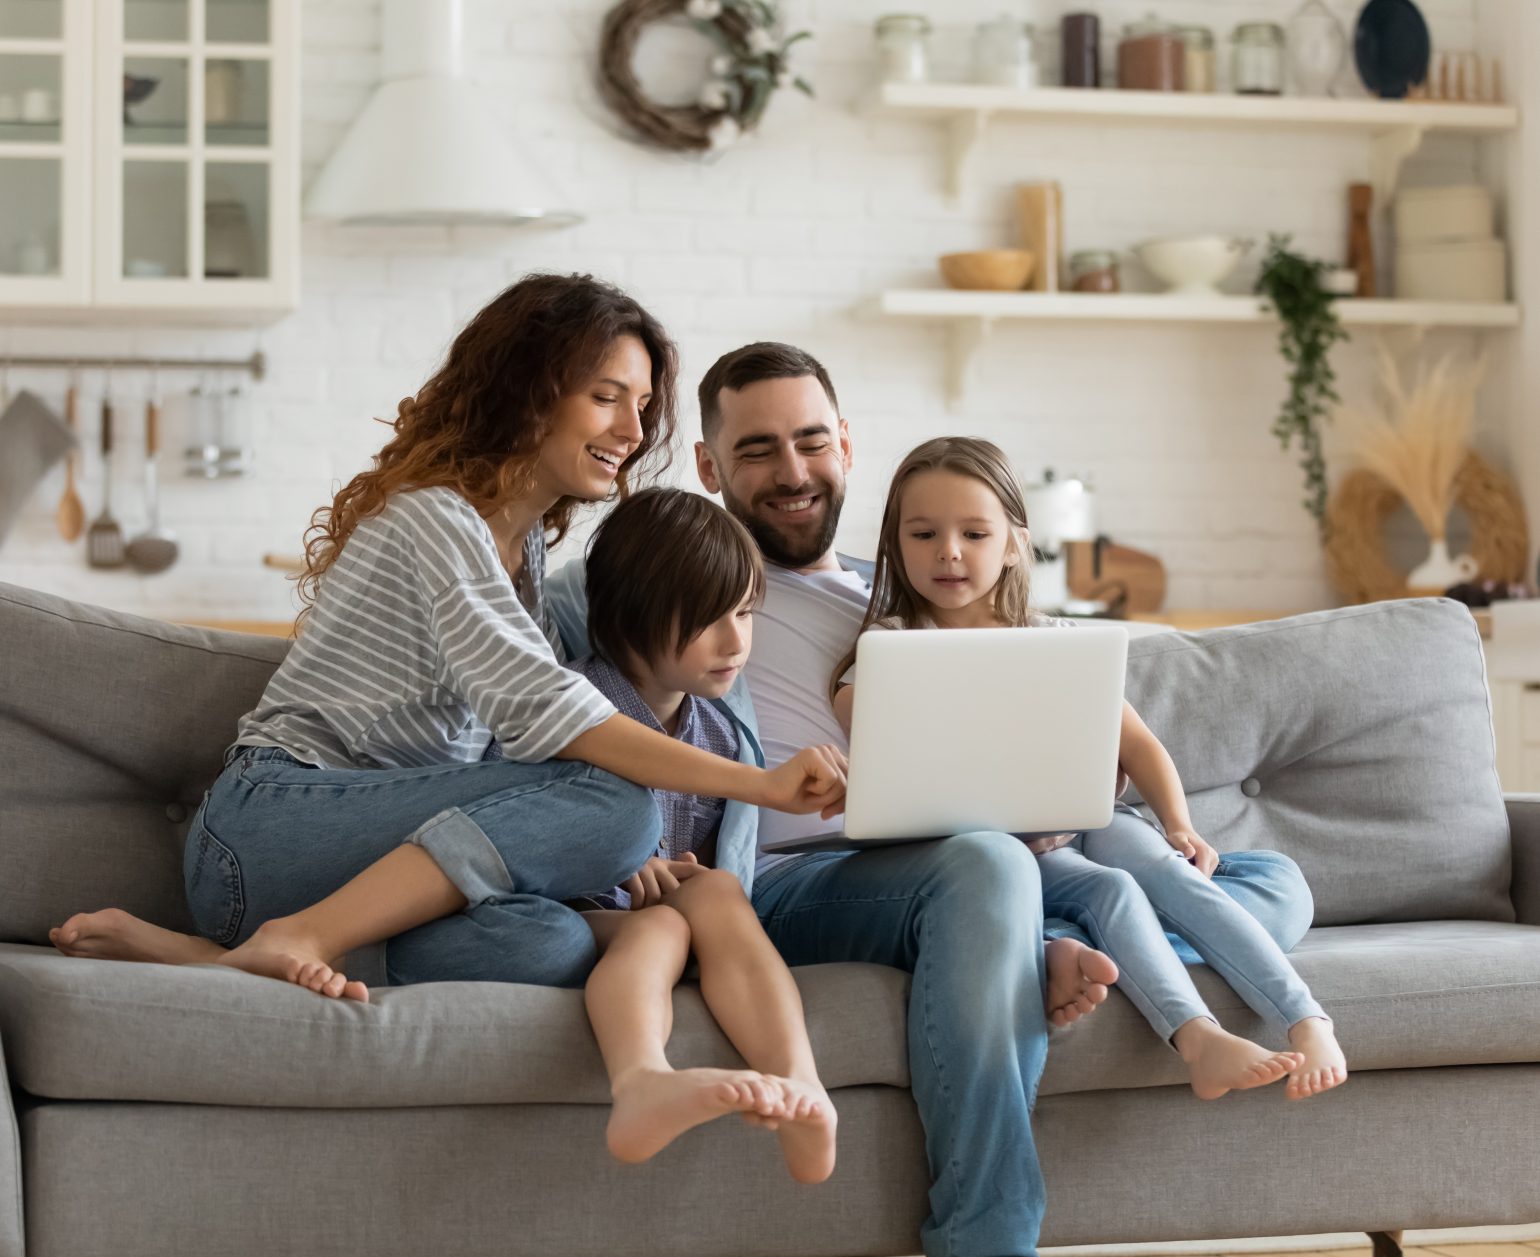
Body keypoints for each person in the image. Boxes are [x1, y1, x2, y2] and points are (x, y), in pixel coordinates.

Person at [546, 340, 1318, 1257]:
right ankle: (988, 1229)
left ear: (846, 445)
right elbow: (554, 716)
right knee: (995, 865)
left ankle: (1021, 939)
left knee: (1273, 884)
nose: (792, 471)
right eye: (757, 450)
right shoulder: (659, 581)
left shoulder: (898, 600)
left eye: (811, 441)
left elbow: (1054, 719)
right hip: (793, 880)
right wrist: (609, 840)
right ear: (711, 466)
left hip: (952, 861)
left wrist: (1072, 789)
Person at [48, 274, 848, 1003]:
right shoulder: (436, 519)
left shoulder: (525, 554)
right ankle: (296, 935)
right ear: (531, 394)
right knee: (621, 806)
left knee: (554, 940)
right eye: (609, 396)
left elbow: (519, 759)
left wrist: (600, 855)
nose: (634, 429)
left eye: (641, 404)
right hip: (270, 832)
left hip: (366, 862)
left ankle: (217, 958)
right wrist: (766, 785)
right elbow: (556, 719)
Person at [830, 436, 1348, 1103]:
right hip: (1005, 855)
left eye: (974, 532)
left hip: (1088, 819)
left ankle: (1308, 1019)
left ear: (1014, 542)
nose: (948, 551)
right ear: (895, 544)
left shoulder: (1054, 640)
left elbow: (1141, 747)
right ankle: (1198, 1036)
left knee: (1172, 870)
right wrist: (867, 692)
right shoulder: (891, 650)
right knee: (1114, 892)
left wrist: (1180, 824)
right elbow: (864, 726)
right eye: (923, 533)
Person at [566, 486, 836, 1182]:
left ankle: (803, 1085)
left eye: (745, 611)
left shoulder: (717, 730)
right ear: (630, 618)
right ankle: (643, 1079)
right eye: (709, 618)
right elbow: (529, 830)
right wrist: (619, 863)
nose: (737, 639)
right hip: (577, 913)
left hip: (673, 915)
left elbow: (709, 860)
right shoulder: (572, 708)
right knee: (664, 930)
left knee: (714, 894)